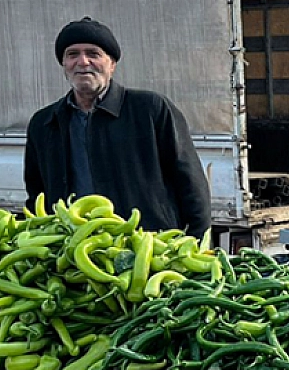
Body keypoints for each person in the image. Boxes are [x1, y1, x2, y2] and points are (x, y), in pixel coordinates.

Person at [24, 18, 211, 237]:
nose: (83, 62)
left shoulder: (150, 110)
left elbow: (191, 184)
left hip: (149, 250)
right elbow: (37, 195)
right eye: (72, 54)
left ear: (112, 64)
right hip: (76, 250)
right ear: (64, 64)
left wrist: (195, 243)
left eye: (93, 53)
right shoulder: (45, 123)